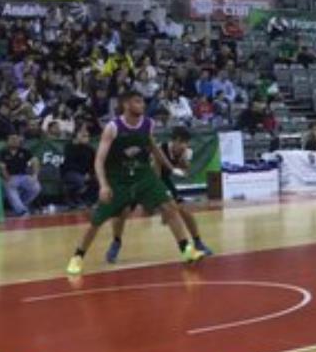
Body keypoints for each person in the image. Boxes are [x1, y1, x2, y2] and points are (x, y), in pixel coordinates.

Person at [66, 90, 206, 276]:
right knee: (97, 220)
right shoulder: (113, 127)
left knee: (170, 207)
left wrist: (171, 169)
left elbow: (153, 147)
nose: (142, 105)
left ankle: (186, 250)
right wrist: (104, 185)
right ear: (126, 105)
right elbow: (99, 160)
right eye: (137, 102)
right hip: (118, 179)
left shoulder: (148, 123)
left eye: (142, 101)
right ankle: (77, 257)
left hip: (143, 175)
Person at [106, 125, 214, 264]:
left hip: (164, 180)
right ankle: (116, 242)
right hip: (142, 179)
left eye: (186, 142)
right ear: (173, 141)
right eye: (181, 142)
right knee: (122, 211)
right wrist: (160, 203)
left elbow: (185, 171)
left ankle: (198, 242)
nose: (184, 145)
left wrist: (183, 164)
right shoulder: (159, 150)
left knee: (184, 209)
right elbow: (155, 176)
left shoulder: (186, 152)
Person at [0, 133, 42, 215]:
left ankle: (21, 205)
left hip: (24, 176)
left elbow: (35, 161)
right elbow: (2, 167)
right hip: (10, 176)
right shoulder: (3, 152)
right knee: (10, 187)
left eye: (16, 139)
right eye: (12, 139)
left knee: (36, 187)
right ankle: (22, 211)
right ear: (7, 141)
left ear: (19, 141)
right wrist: (7, 177)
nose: (14, 141)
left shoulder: (24, 151)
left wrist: (35, 175)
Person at [61, 124, 98, 207]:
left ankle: (90, 201)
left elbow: (94, 163)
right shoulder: (69, 147)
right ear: (77, 136)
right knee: (79, 180)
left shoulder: (90, 149)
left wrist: (90, 173)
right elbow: (69, 164)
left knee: (98, 179)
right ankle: (72, 197)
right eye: (84, 136)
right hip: (70, 172)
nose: (86, 138)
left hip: (85, 173)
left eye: (87, 136)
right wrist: (83, 173)